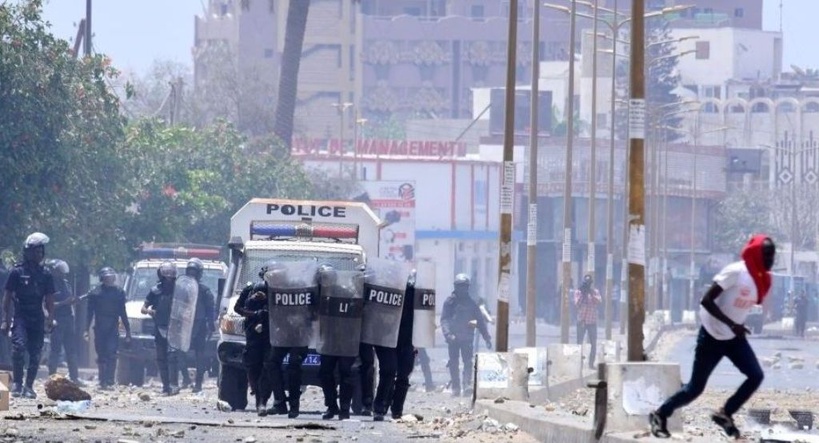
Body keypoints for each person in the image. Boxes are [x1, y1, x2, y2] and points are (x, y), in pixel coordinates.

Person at [649, 235, 775, 439]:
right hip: (711, 335)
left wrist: (737, 325)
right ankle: (660, 414)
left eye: (773, 255)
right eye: (767, 254)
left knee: (756, 375)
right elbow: (706, 301)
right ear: (756, 253)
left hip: (734, 337)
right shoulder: (736, 272)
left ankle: (725, 413)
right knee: (695, 389)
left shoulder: (761, 280)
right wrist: (732, 324)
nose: (771, 259)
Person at [1, 233, 56, 399]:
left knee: (35, 353)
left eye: (40, 252)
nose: (38, 255)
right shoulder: (16, 272)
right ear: (27, 252)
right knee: (18, 348)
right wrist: (5, 320)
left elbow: (50, 299)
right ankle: (17, 383)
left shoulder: (46, 274)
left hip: (37, 317)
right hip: (21, 316)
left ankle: (29, 386)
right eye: (35, 252)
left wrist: (50, 318)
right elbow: (7, 297)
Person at [264, 262, 309, 419]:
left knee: (293, 367)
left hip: (299, 335)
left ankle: (294, 407)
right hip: (283, 335)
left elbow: (312, 310)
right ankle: (280, 402)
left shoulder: (297, 286)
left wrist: (299, 321)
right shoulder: (273, 289)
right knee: (271, 363)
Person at [317, 264, 362, 421]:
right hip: (328, 340)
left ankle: (344, 408)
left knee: (346, 374)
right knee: (325, 374)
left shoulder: (344, 292)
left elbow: (355, 313)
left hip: (345, 340)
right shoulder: (318, 294)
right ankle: (331, 406)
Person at [440, 273, 491, 397]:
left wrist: (487, 337)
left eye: (465, 286)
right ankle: (456, 388)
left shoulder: (471, 303)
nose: (463, 289)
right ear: (456, 287)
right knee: (453, 362)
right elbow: (444, 319)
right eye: (460, 286)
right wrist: (448, 335)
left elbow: (480, 321)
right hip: (453, 338)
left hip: (467, 338)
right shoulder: (449, 302)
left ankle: (467, 385)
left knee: (468, 362)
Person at [233, 261, 273, 416]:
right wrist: (253, 313)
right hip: (253, 333)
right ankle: (257, 393)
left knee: (268, 367)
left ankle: (262, 402)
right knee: (252, 366)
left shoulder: (278, 291)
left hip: (271, 334)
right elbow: (238, 308)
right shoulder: (250, 289)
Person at [86, 267, 131, 389]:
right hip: (100, 326)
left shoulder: (119, 292)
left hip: (112, 326)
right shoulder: (95, 293)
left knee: (112, 353)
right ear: (102, 278)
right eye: (107, 277)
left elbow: (123, 312)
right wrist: (86, 329)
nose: (109, 280)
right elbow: (89, 313)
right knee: (101, 354)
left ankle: (110, 380)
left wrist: (128, 331)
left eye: (111, 277)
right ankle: (102, 380)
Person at [141, 261, 181, 396]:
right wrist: (150, 311)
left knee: (173, 357)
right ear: (162, 276)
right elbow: (143, 308)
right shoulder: (155, 291)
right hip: (160, 328)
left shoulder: (179, 290)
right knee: (161, 358)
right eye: (167, 277)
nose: (169, 279)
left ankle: (174, 385)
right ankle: (165, 387)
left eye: (171, 277)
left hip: (175, 328)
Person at [45, 259, 81, 385]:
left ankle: (74, 377)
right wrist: (64, 302)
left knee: (71, 349)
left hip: (68, 319)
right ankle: (51, 377)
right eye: (59, 271)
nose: (62, 274)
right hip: (57, 319)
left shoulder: (66, 284)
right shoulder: (49, 285)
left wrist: (73, 301)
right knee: (55, 349)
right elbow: (49, 304)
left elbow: (70, 299)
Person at [183, 258, 215, 393]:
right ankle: (185, 379)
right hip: (184, 325)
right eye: (189, 271)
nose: (192, 274)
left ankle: (198, 384)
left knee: (200, 355)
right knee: (179, 353)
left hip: (199, 325)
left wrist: (210, 324)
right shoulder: (182, 290)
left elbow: (210, 309)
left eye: (194, 272)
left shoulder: (204, 291)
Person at [574, 274, 601, 370]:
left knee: (593, 343)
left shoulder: (595, 292)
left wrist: (590, 294)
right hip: (581, 320)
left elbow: (598, 302)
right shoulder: (579, 292)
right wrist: (583, 294)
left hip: (592, 321)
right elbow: (577, 304)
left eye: (589, 283)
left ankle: (591, 364)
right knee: (579, 343)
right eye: (586, 283)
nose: (587, 285)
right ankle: (578, 363)